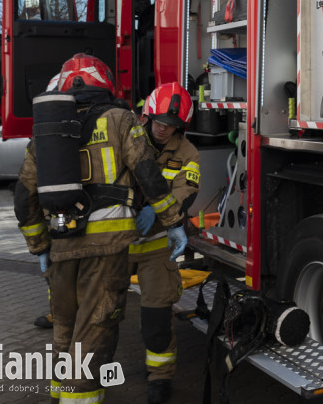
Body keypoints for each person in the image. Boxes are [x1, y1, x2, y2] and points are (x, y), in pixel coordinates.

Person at [15, 54, 187, 403]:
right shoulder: (121, 119)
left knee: (64, 328)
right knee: (94, 330)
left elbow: (23, 195)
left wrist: (40, 246)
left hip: (62, 244)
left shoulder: (46, 131)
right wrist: (172, 221)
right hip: (107, 249)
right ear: (105, 84)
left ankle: (58, 394)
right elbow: (147, 174)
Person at [131, 82, 201, 404]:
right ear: (148, 116)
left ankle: (160, 377)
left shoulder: (187, 152)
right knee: (102, 311)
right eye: (159, 122)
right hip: (117, 240)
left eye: (172, 125)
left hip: (157, 239)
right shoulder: (128, 137)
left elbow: (185, 190)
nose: (164, 129)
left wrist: (158, 212)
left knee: (157, 314)